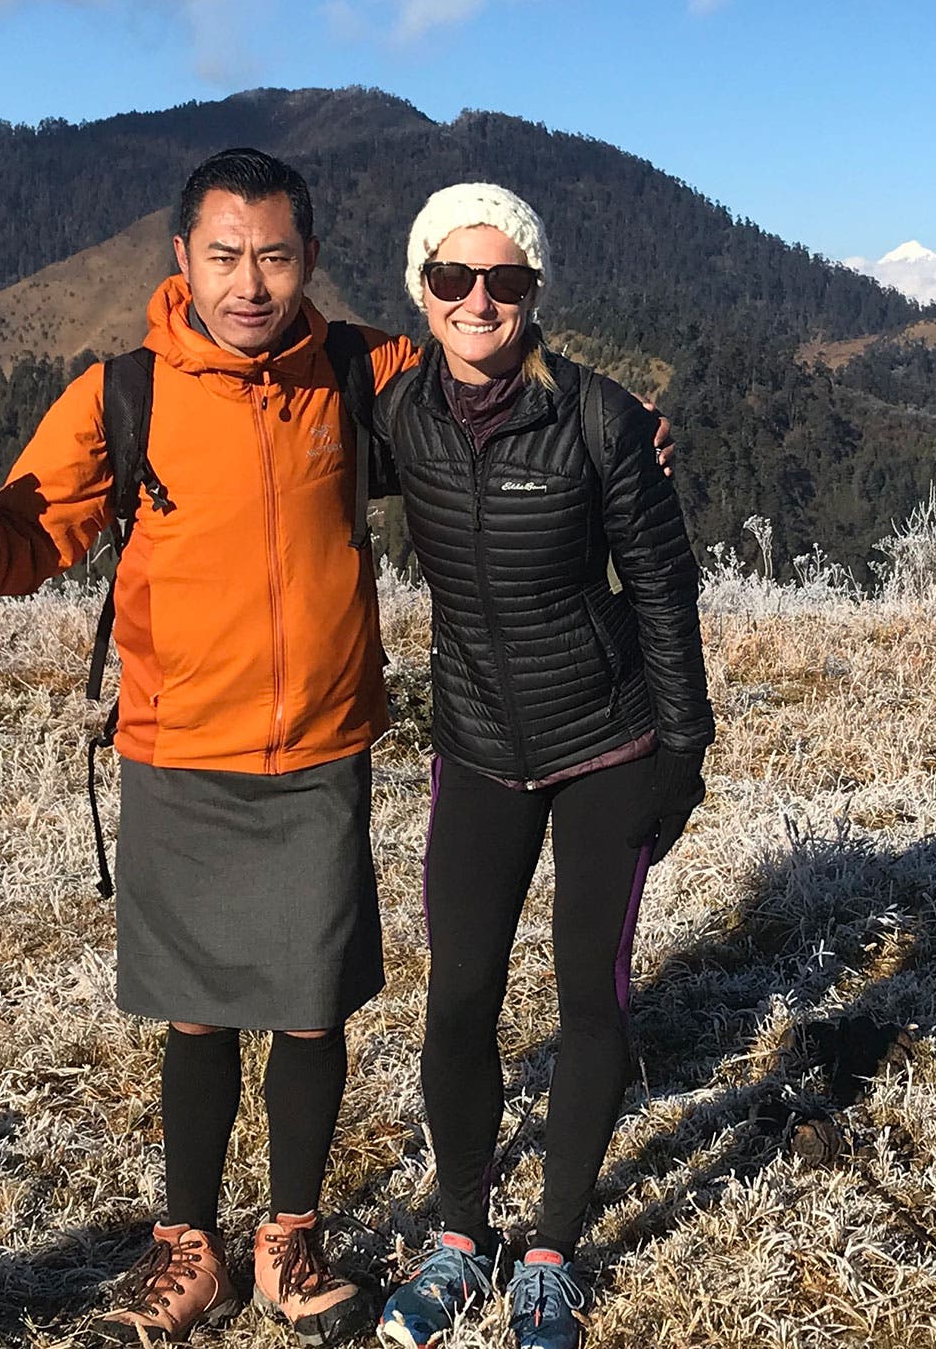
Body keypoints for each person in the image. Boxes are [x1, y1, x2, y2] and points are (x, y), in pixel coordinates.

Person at [0, 148, 413, 1348]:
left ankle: (290, 1238)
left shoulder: (366, 372)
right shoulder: (127, 394)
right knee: (198, 1015)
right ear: (183, 261)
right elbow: (15, 546)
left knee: (313, 1010)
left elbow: (493, 394)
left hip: (320, 748)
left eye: (273, 256)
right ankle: (189, 1246)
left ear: (309, 260)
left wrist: (621, 435)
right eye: (225, 257)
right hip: (179, 751)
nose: (250, 282)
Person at [372, 184, 713, 1349]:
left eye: (505, 280)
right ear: (420, 292)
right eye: (455, 280)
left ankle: (555, 1251)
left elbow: (664, 591)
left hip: (607, 742)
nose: (480, 301)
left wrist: (684, 750)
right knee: (459, 996)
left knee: (590, 998)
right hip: (474, 744)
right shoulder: (398, 417)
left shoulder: (605, 421)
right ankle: (462, 1238)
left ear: (536, 293)